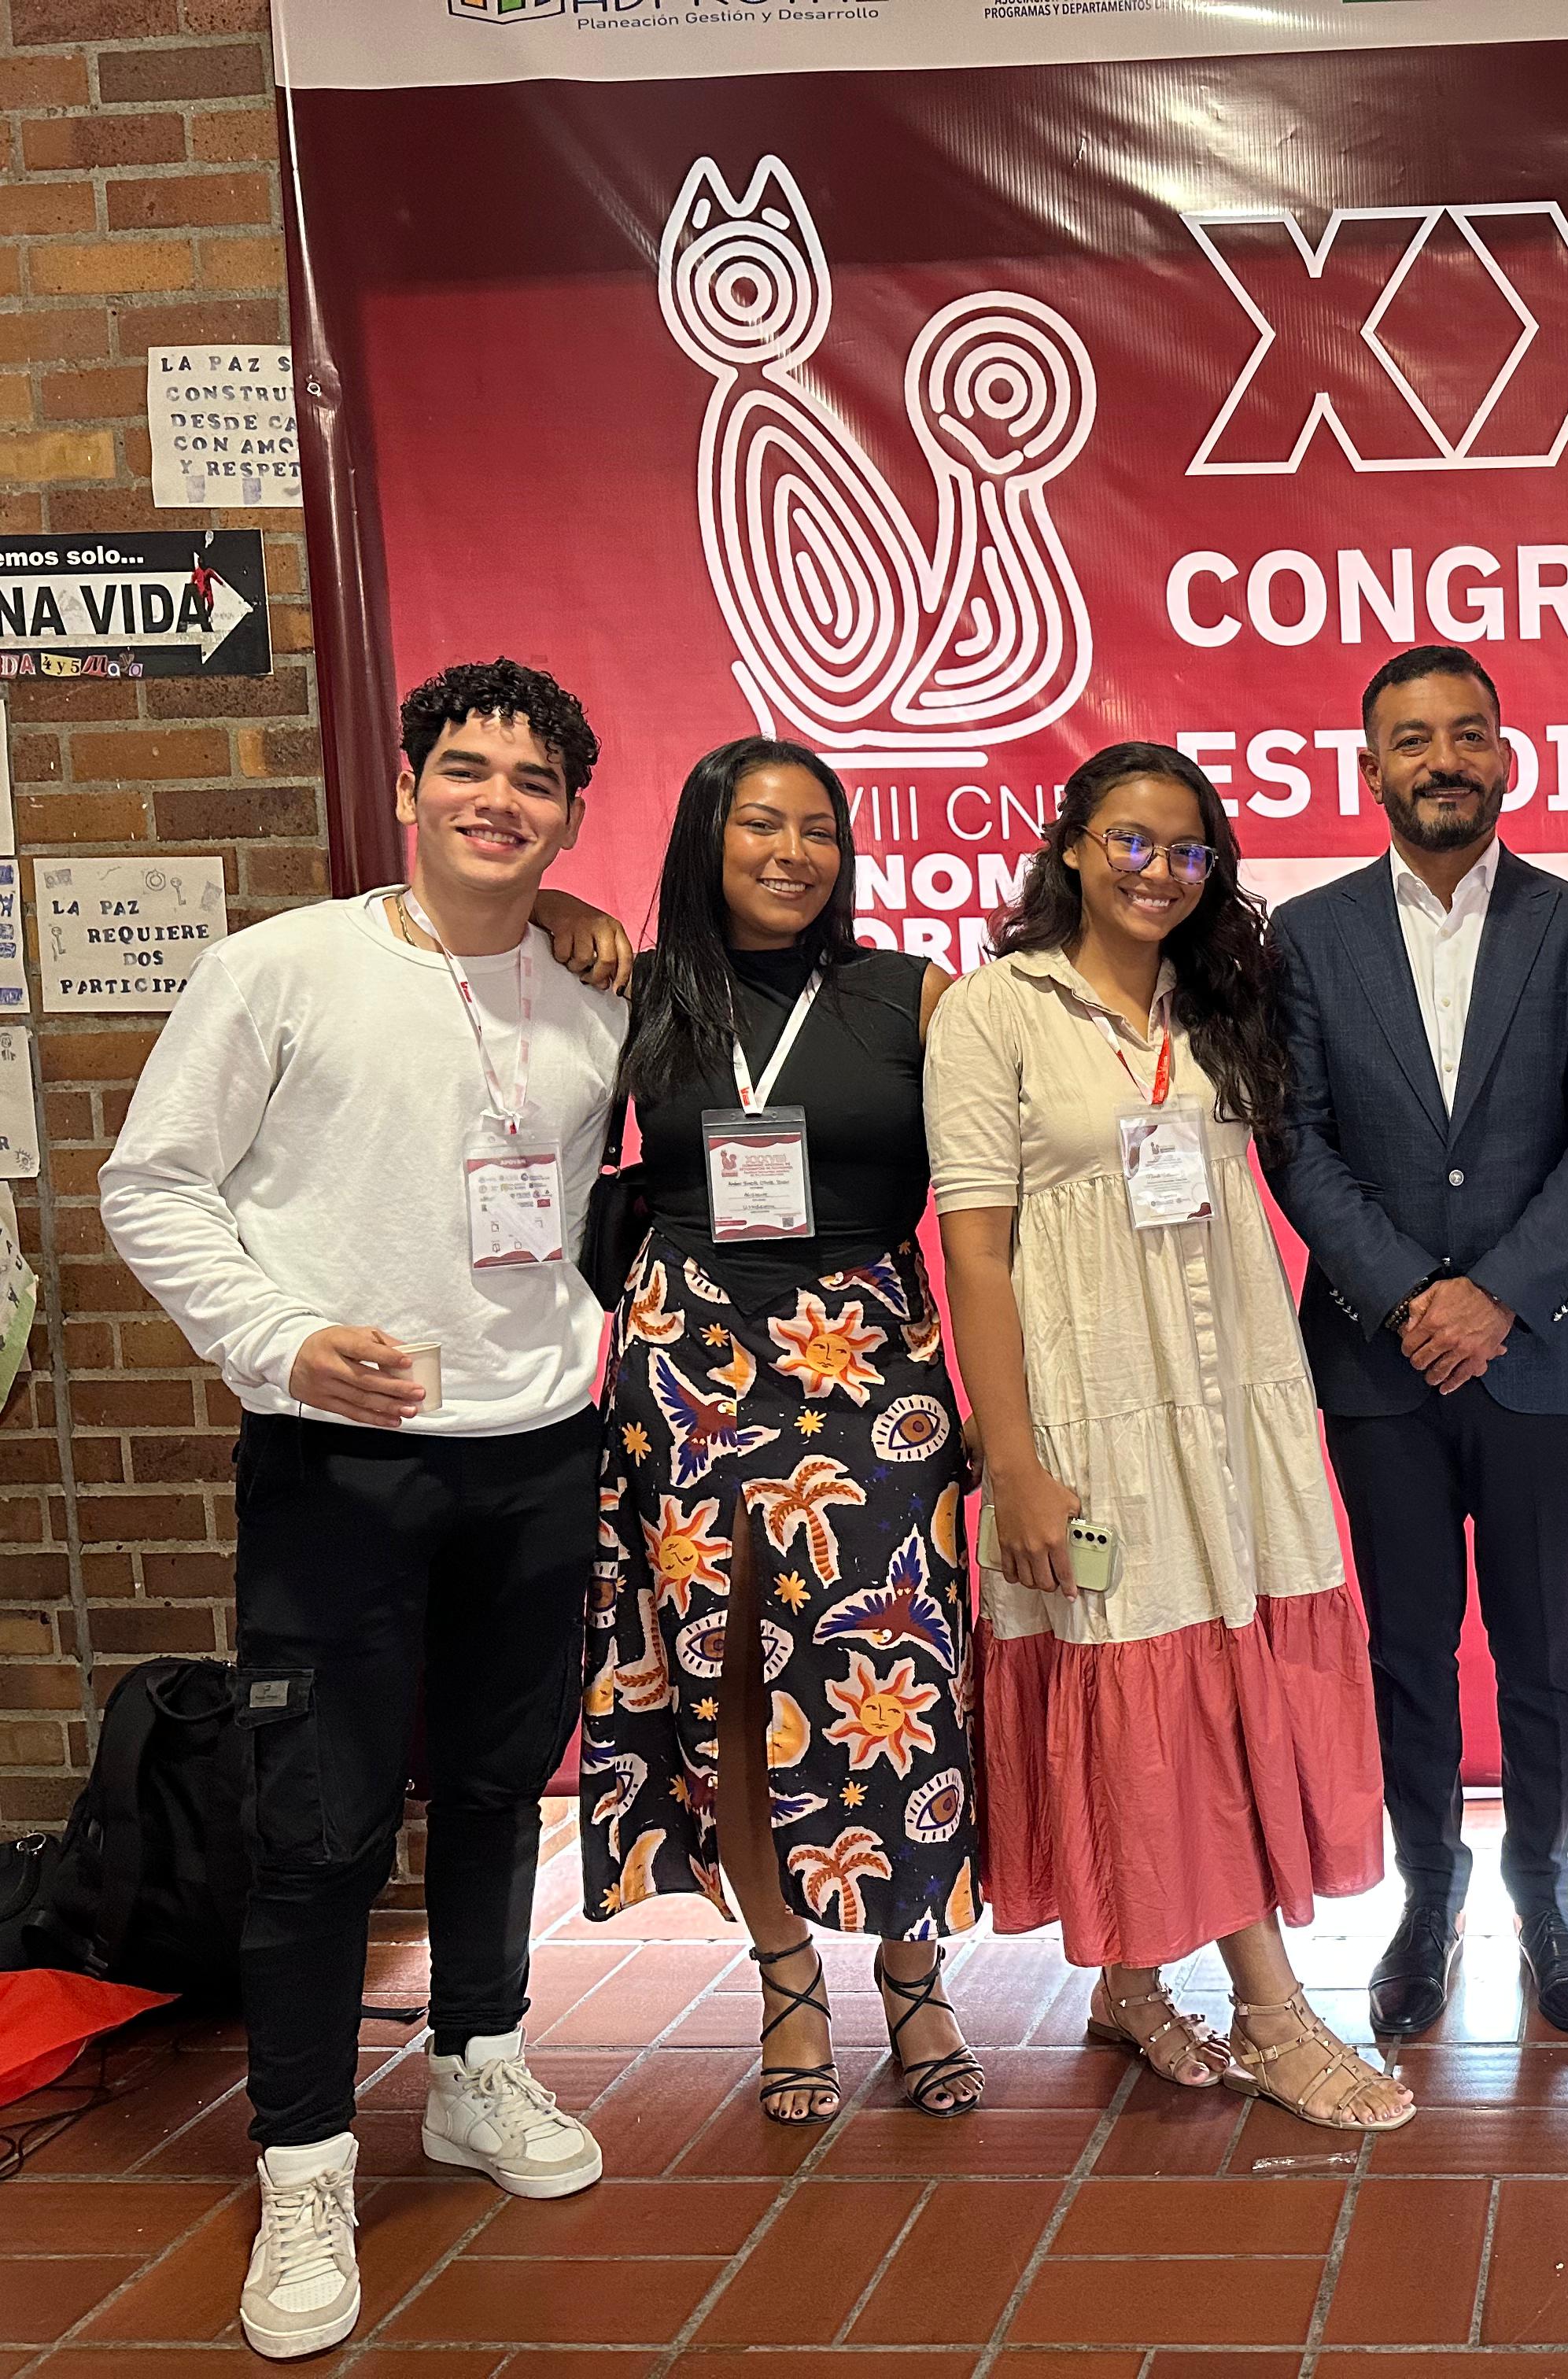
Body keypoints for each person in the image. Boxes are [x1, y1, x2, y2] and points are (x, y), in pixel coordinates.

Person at [101, 658, 627, 2360]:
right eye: (466, 769)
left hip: (540, 1445)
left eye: (533, 781)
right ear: (408, 787)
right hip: (340, 1463)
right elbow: (152, 1184)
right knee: (321, 1823)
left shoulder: (590, 995)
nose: (498, 801)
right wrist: (278, 1339)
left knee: (492, 1783)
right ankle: (307, 2161)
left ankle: (479, 2067)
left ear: (567, 813)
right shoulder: (281, 970)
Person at [928, 741, 1409, 2131]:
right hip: (1092, 1412)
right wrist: (1013, 1459)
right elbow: (973, 1249)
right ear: (1072, 845)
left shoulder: (1221, 1004)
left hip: (1235, 1400)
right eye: (1130, 841)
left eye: (1188, 851)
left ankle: (1134, 1984)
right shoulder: (994, 1009)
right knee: (1153, 1682)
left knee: (1223, 1667)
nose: (1157, 871)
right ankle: (1272, 2013)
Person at [583, 736, 982, 2126]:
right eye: (761, 825)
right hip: (690, 1359)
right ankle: (785, 1973)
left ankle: (916, 1970)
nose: (792, 853)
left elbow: (994, 1193)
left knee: (895, 1672)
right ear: (706, 837)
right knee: (730, 1687)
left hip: (876, 1362)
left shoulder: (913, 994)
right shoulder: (637, 993)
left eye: (818, 828)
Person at [1267, 644, 1568, 2038]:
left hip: (1541, 1350)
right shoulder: (1304, 934)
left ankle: (1549, 1899)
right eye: (1413, 739)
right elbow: (1295, 1140)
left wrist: (1493, 1295)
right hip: (1380, 1364)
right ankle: (1427, 1899)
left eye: (1468, 735)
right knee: (1409, 1648)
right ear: (1369, 768)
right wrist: (1406, 1295)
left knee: (1543, 1645)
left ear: (1507, 756)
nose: (1444, 759)